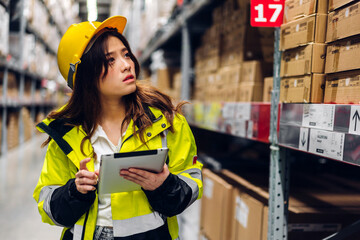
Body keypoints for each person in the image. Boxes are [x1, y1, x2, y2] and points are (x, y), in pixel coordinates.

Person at [33, 15, 203, 240]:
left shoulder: (166, 122)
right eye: (110, 60)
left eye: (125, 54)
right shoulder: (66, 134)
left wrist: (164, 185)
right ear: (85, 76)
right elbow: (49, 208)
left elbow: (192, 183)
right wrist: (75, 191)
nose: (127, 65)